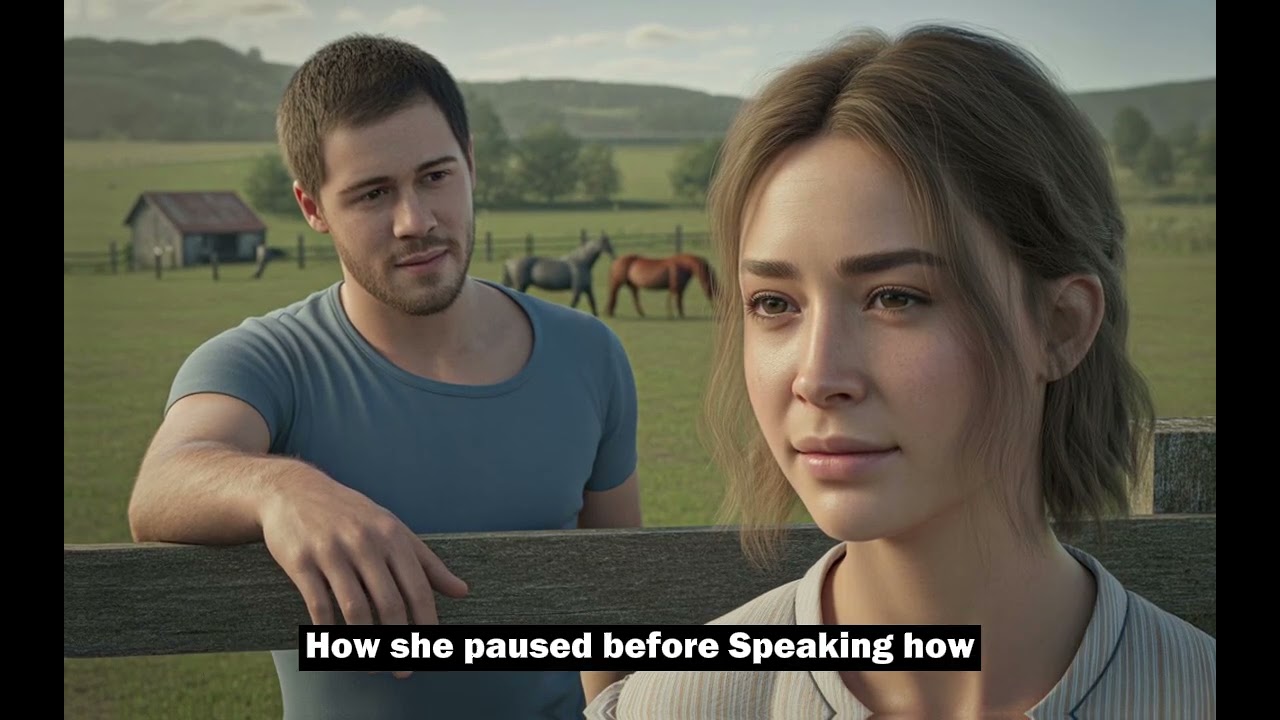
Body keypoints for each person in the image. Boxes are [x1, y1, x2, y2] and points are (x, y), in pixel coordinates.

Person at [586, 23, 1214, 719]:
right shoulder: (673, 704)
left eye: (895, 298)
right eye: (774, 303)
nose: (817, 377)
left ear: (1060, 325)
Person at [126, 33, 641, 720]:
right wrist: (283, 489)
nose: (415, 221)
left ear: (471, 164)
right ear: (312, 208)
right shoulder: (263, 360)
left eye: (436, 176)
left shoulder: (589, 353)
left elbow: (616, 595)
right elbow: (162, 484)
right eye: (372, 193)